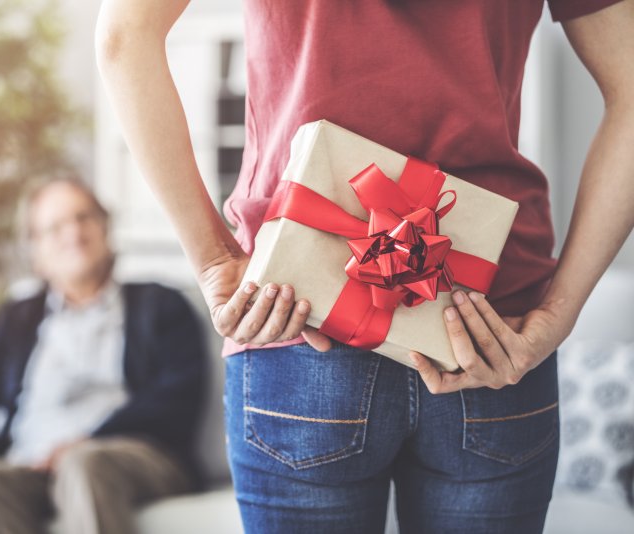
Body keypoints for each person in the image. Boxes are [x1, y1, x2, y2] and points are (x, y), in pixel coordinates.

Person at [95, 1, 634, 532]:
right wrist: (560, 311)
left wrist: (214, 261)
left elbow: (124, 39)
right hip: (489, 325)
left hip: (295, 310)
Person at [0, 177, 206, 534]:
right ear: (36, 252)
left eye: (83, 217)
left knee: (83, 463)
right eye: (56, 227)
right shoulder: (17, 317)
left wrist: (91, 439)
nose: (73, 233)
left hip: (129, 457)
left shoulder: (161, 304)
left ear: (105, 227)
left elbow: (177, 399)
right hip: (33, 465)